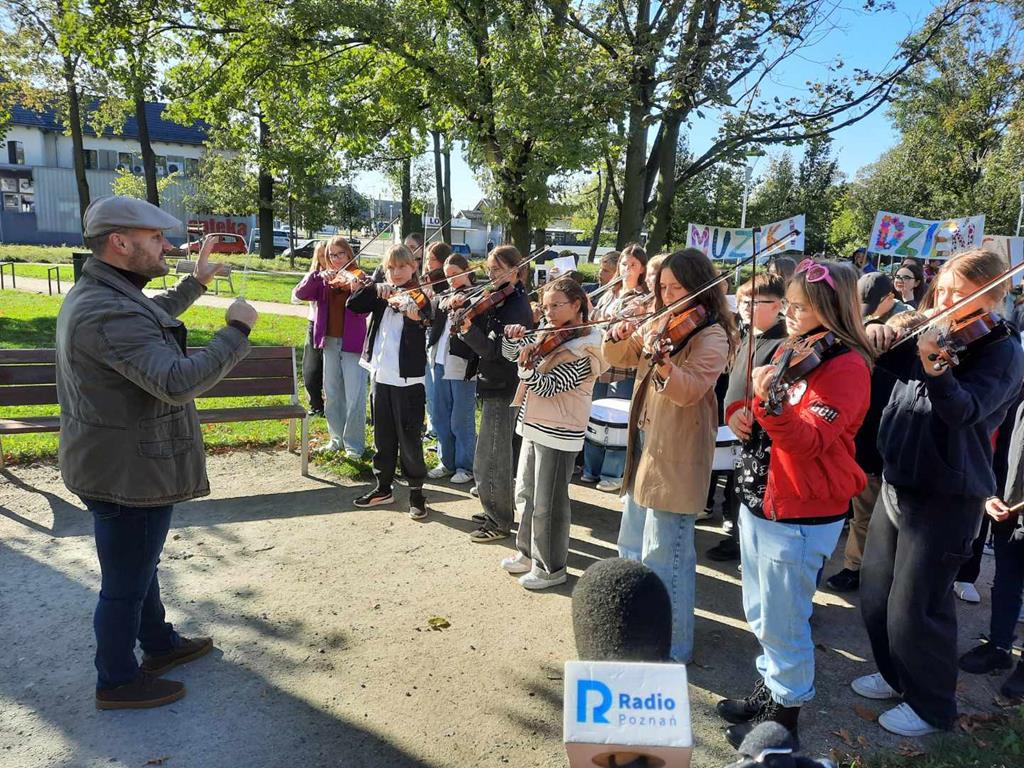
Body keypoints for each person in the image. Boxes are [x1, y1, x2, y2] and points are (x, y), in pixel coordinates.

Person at [56, 196, 259, 709]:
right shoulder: (105, 308)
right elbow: (175, 380)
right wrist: (236, 331)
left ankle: (161, 643)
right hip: (128, 470)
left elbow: (151, 316)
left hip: (114, 460)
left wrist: (197, 283)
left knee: (138, 564)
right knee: (125, 581)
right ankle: (118, 681)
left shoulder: (109, 293)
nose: (166, 245)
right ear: (119, 243)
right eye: (155, 238)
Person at [854, 249, 1024, 737]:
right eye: (944, 290)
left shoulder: (1002, 352)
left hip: (947, 492)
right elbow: (887, 373)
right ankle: (897, 676)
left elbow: (966, 412)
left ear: (995, 297)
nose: (947, 301)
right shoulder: (930, 330)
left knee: (918, 605)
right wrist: (877, 336)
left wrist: (938, 372)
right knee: (877, 595)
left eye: (962, 294)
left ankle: (933, 707)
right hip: (898, 476)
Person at [717, 259, 872, 748]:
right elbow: (759, 408)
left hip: (800, 509)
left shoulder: (846, 366)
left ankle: (784, 723)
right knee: (762, 610)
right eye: (787, 303)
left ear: (829, 307)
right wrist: (743, 412)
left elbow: (809, 441)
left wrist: (768, 404)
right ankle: (771, 692)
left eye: (800, 307)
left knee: (785, 620)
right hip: (761, 495)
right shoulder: (792, 348)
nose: (788, 313)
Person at [603, 248, 735, 662]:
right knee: (632, 541)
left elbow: (691, 389)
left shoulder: (712, 333)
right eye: (663, 287)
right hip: (645, 441)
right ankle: (635, 622)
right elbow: (619, 358)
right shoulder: (659, 319)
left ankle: (673, 646)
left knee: (668, 553)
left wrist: (662, 364)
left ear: (699, 286)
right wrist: (619, 334)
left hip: (678, 447)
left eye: (677, 287)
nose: (668, 294)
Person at [500, 277, 608, 588]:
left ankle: (551, 567)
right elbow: (512, 353)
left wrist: (526, 370)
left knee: (549, 504)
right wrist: (512, 338)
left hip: (560, 431)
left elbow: (550, 387)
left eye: (556, 306)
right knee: (527, 495)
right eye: (545, 306)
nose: (548, 313)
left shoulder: (587, 348)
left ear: (577, 305)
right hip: (534, 424)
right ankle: (527, 553)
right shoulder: (550, 333)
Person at [826, 309, 921, 592]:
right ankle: (854, 567)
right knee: (863, 517)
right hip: (867, 454)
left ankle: (888, 575)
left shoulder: (919, 368)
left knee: (893, 524)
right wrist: (870, 327)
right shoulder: (869, 360)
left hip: (899, 460)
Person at [453, 245, 535, 542]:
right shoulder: (500, 300)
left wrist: (466, 329)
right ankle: (493, 508)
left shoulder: (516, 306)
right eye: (489, 268)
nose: (491, 274)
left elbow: (494, 351)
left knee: (493, 456)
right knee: (488, 454)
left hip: (504, 386)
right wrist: (467, 313)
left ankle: (499, 520)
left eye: (498, 269)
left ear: (516, 270)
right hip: (493, 383)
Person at [347, 244, 433, 519]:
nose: (396, 273)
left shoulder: (421, 298)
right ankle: (383, 487)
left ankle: (417, 494)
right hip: (380, 376)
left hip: (408, 381)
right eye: (391, 268)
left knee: (409, 439)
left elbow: (421, 334)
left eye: (402, 267)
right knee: (383, 436)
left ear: (414, 268)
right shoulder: (382, 292)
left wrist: (412, 319)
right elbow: (353, 305)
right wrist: (373, 288)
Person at [706, 273, 787, 563]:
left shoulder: (782, 341)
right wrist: (731, 411)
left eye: (756, 301)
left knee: (755, 492)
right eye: (744, 301)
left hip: (760, 433)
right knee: (737, 486)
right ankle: (737, 538)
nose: (747, 306)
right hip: (738, 427)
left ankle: (750, 547)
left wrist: (747, 411)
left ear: (778, 304)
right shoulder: (750, 335)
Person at [958, 395, 1024, 701]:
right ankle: (999, 646)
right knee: (1005, 582)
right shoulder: (1017, 394)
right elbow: (998, 448)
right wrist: (991, 494)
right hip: (1008, 507)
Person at [292, 238, 369, 458]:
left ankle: (354, 444)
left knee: (354, 395)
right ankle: (336, 439)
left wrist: (354, 286)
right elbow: (299, 295)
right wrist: (317, 276)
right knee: (333, 393)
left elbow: (363, 305)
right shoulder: (324, 278)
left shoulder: (358, 275)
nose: (336, 260)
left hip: (353, 343)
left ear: (349, 254)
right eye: (331, 255)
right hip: (330, 342)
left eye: (340, 254)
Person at [583, 243, 649, 491]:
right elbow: (596, 319)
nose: (626, 269)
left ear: (642, 269)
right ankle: (592, 468)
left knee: (617, 420)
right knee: (596, 415)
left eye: (633, 265)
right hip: (600, 361)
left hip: (622, 365)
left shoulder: (643, 297)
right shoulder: (611, 292)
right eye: (623, 264)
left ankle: (613, 472)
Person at [426, 253, 478, 484]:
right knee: (439, 415)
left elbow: (478, 323)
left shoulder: (476, 296)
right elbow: (432, 317)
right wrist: (438, 304)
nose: (451, 281)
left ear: (467, 271)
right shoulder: (443, 296)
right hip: (439, 360)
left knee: (461, 417)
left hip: (462, 363)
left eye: (456, 275)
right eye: (448, 277)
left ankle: (465, 466)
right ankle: (446, 461)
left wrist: (463, 303)